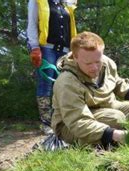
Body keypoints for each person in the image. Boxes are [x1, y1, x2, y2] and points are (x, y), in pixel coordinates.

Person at [51, 32, 129, 147]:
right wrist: (115, 134)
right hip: (71, 125)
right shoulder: (67, 82)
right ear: (75, 58)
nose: (94, 67)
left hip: (107, 107)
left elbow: (116, 81)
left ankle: (123, 141)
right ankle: (111, 142)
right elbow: (78, 122)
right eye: (88, 63)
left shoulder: (106, 62)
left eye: (98, 61)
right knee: (116, 119)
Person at [26, 0, 77, 134]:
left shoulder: (66, 4)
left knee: (64, 85)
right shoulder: (38, 2)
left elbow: (70, 28)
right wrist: (34, 47)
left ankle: (61, 121)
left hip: (66, 51)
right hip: (47, 49)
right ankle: (46, 123)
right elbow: (32, 24)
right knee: (46, 83)